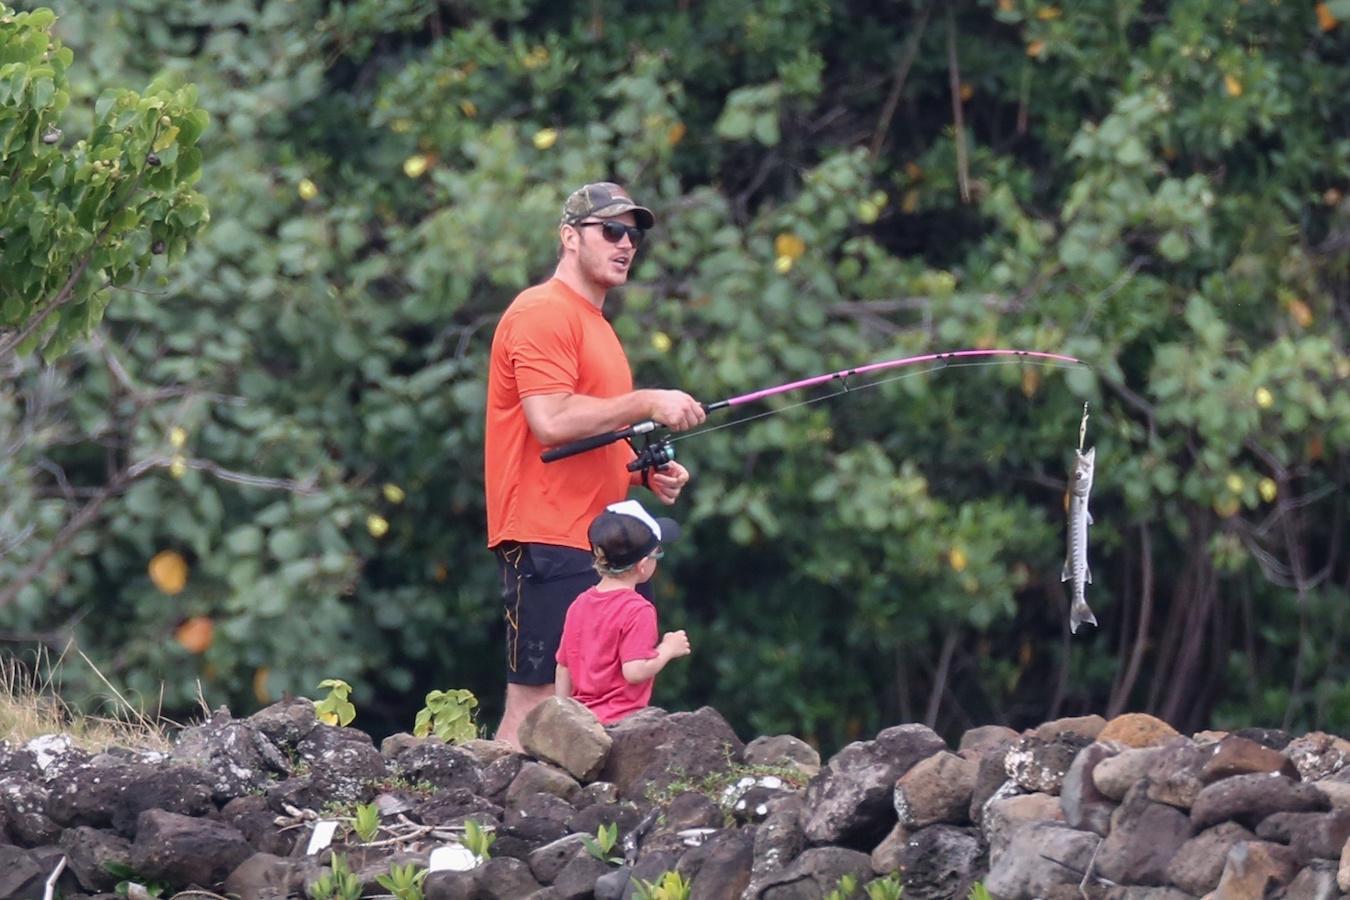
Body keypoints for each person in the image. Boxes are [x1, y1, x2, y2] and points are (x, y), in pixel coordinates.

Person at [484, 182, 706, 748]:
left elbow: (590, 437)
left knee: (607, 702)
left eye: (633, 234)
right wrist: (647, 401)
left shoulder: (598, 327)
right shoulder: (541, 312)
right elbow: (551, 422)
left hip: (603, 542)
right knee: (538, 706)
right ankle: (487, 828)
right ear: (568, 238)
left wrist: (641, 473)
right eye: (610, 231)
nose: (625, 243)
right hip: (546, 537)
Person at [555, 500, 692, 724]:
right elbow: (635, 671)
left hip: (581, 723)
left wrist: (563, 719)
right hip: (622, 724)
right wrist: (667, 650)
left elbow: (563, 667)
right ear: (643, 564)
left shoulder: (579, 604)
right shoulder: (638, 610)